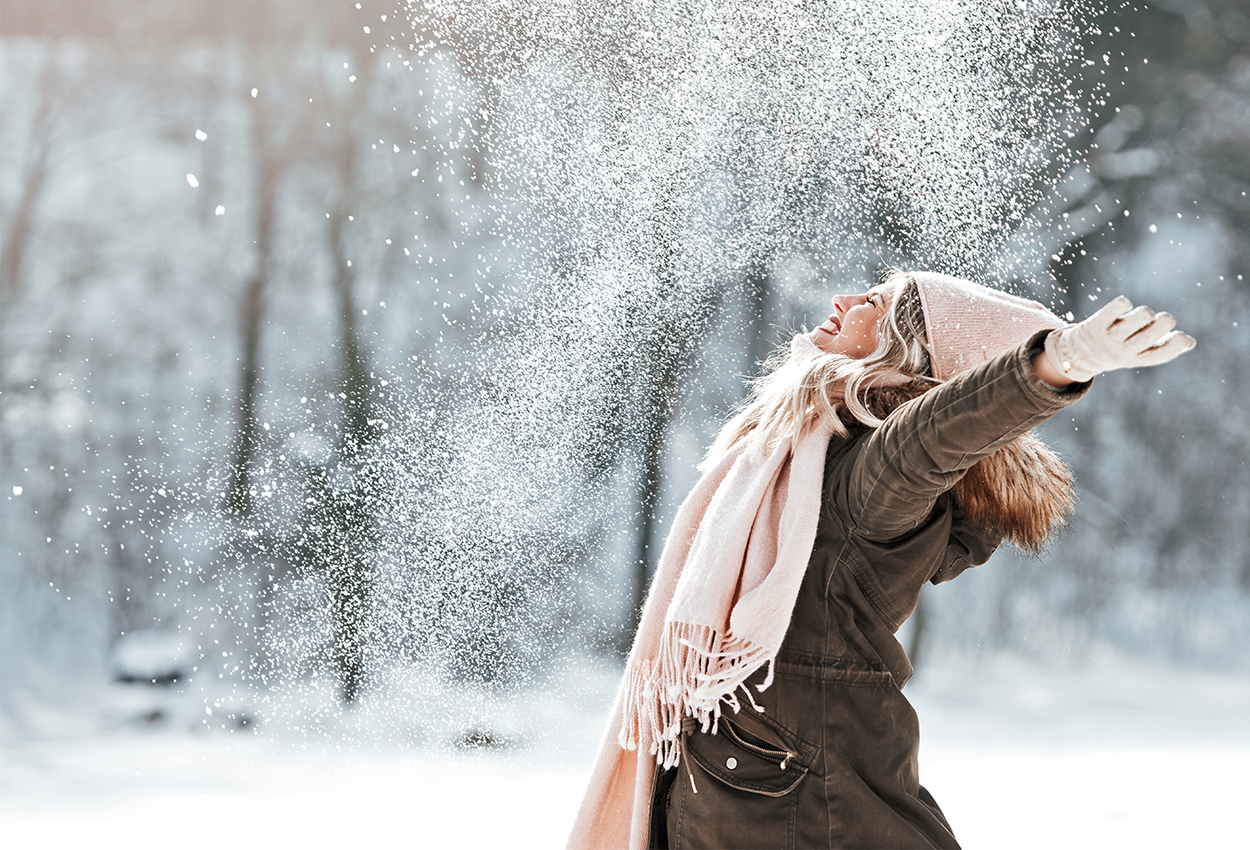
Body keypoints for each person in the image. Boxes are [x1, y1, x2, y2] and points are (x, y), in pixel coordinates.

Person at [568, 270, 1195, 850]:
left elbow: (931, 437)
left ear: (908, 353)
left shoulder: (865, 477)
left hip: (794, 792)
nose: (844, 300)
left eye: (875, 303)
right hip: (757, 776)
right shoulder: (804, 458)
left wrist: (1054, 364)